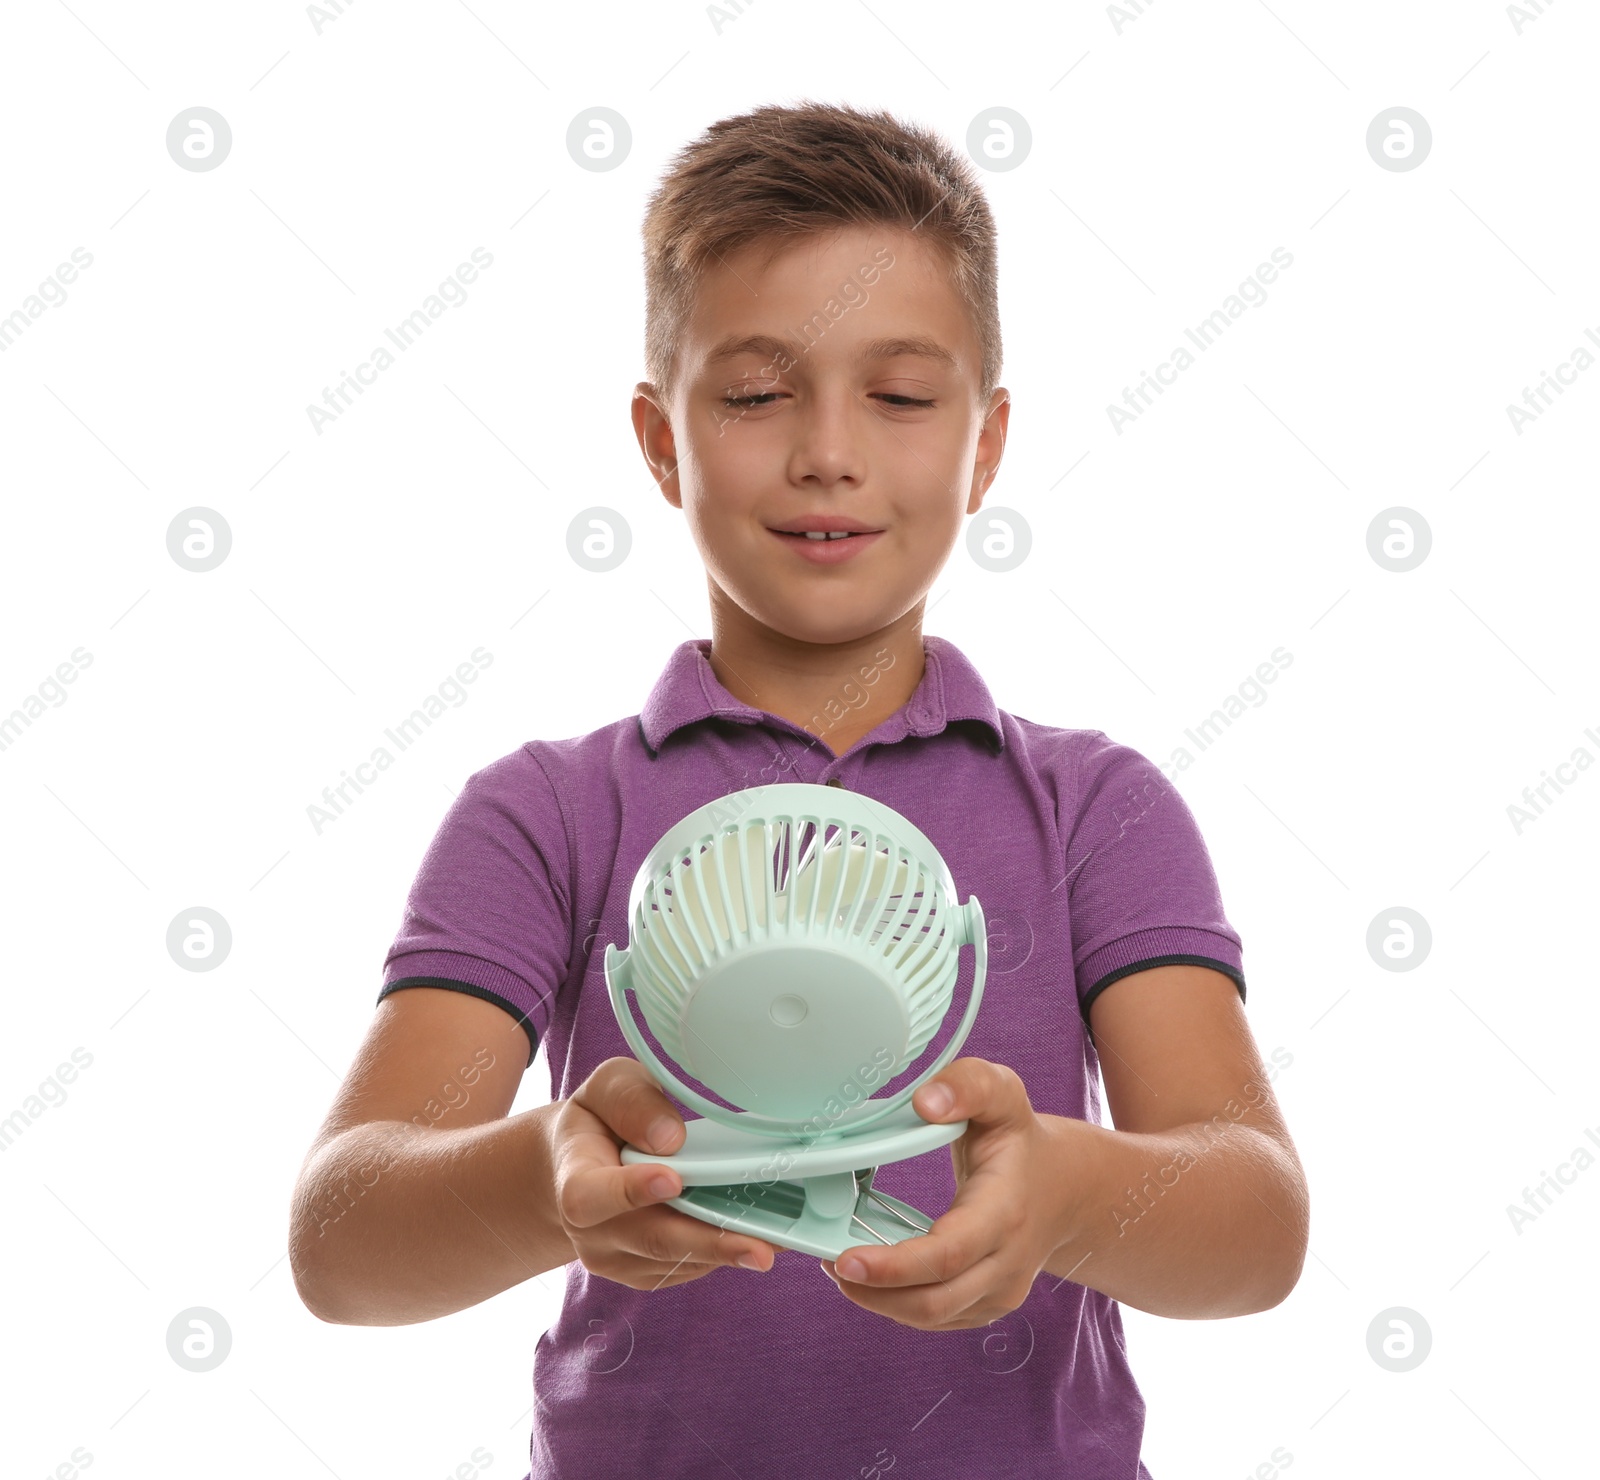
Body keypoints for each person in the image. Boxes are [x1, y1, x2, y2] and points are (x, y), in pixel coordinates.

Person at [288, 100, 1309, 1479]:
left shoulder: (1092, 809)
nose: (829, 450)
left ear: (986, 445)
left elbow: (1256, 1226)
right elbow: (344, 1245)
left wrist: (1066, 1195)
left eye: (898, 394)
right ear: (661, 442)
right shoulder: (547, 816)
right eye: (760, 393)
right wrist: (547, 1182)